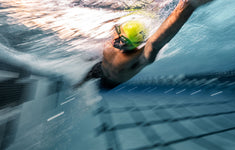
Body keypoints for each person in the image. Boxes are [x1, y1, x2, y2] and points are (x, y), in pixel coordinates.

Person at [74, 0, 214, 89]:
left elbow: (156, 42)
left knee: (101, 87)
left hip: (112, 81)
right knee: (90, 74)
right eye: (117, 33)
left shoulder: (139, 58)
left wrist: (187, 6)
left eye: (122, 40)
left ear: (133, 44)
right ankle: (79, 85)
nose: (115, 39)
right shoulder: (115, 37)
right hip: (100, 68)